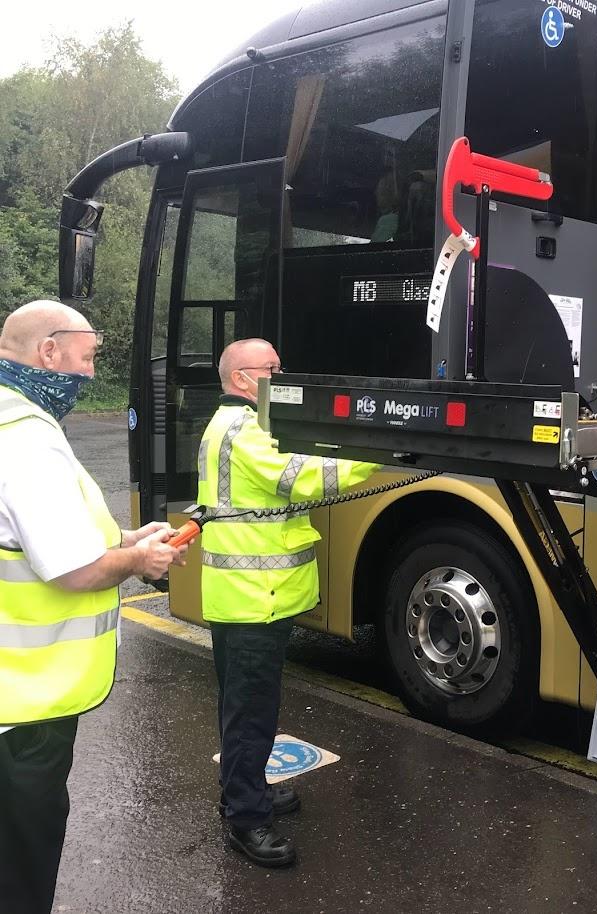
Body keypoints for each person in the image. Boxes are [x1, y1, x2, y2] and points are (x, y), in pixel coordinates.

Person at [0, 300, 189, 914]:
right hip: (24, 709)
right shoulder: (26, 439)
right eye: (85, 360)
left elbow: (29, 538)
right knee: (21, 866)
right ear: (47, 352)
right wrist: (139, 562)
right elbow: (73, 568)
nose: (87, 375)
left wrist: (128, 540)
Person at [198, 338, 379, 868]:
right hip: (253, 600)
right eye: (272, 369)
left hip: (253, 598)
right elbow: (302, 478)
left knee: (246, 708)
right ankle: (247, 820)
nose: (282, 374)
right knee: (251, 713)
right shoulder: (243, 428)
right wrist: (378, 452)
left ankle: (244, 788)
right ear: (242, 380)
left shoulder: (240, 423)